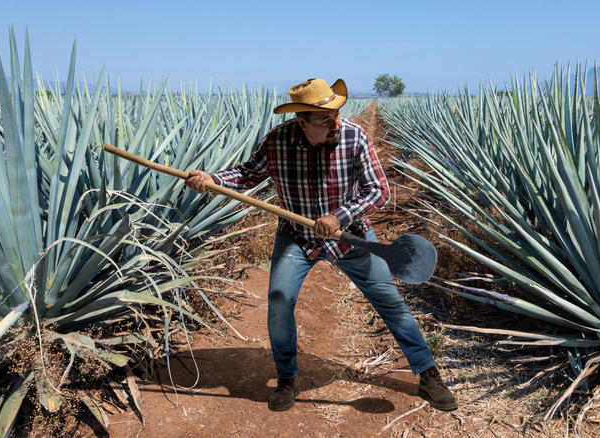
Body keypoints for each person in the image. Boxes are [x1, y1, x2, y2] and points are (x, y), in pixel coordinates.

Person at [185, 78, 457, 412]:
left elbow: (378, 190)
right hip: (296, 238)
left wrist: (340, 216)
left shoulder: (353, 137)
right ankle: (287, 378)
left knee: (389, 300)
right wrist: (212, 180)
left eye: (337, 114)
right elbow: (245, 175)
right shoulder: (277, 141)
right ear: (301, 122)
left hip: (351, 238)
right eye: (324, 119)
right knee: (279, 301)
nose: (335, 123)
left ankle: (429, 375)